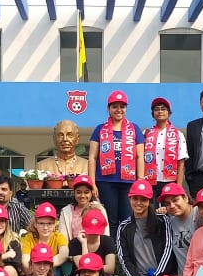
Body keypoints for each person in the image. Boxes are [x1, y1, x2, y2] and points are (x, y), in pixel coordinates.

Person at [88, 89, 144, 231]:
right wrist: (92, 183)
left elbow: (139, 156)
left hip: (129, 182)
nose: (118, 110)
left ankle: (125, 251)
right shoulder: (100, 129)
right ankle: (112, 252)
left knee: (128, 219)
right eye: (114, 106)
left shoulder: (135, 129)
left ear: (126, 108)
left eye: (122, 106)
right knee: (110, 219)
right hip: (106, 182)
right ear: (108, 109)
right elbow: (92, 158)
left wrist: (140, 180)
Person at [116, 180, 177, 276]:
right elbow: (124, 259)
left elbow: (168, 251)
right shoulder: (123, 227)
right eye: (135, 199)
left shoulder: (162, 221)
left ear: (149, 201)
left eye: (143, 199)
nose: (138, 203)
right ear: (130, 199)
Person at [142, 97, 188, 198]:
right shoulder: (146, 133)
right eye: (156, 109)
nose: (160, 111)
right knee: (151, 211)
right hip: (149, 181)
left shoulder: (178, 134)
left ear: (169, 113)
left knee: (169, 212)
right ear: (152, 114)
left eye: (163, 109)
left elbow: (181, 162)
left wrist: (178, 187)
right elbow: (140, 158)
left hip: (170, 181)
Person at [20, 203, 69, 275]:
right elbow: (25, 261)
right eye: (41, 223)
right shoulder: (28, 238)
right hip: (32, 272)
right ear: (35, 224)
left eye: (49, 224)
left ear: (55, 224)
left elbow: (63, 255)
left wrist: (45, 266)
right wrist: (38, 268)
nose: (45, 228)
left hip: (51, 270)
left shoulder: (59, 237)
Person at [67, 208, 116, 276]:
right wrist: (84, 244)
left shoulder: (108, 241)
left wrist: (92, 268)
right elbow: (84, 268)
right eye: (91, 232)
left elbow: (110, 268)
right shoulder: (75, 243)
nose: (93, 235)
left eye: (96, 232)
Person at [158, 183, 196, 273]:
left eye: (175, 200)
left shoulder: (199, 215)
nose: (172, 205)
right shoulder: (170, 220)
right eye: (167, 203)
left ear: (185, 198)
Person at [57, 174, 108, 242]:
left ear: (91, 193)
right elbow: (63, 239)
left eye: (86, 192)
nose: (82, 196)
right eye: (79, 192)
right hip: (74, 249)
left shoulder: (99, 209)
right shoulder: (66, 211)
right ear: (74, 193)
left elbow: (106, 235)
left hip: (97, 249)